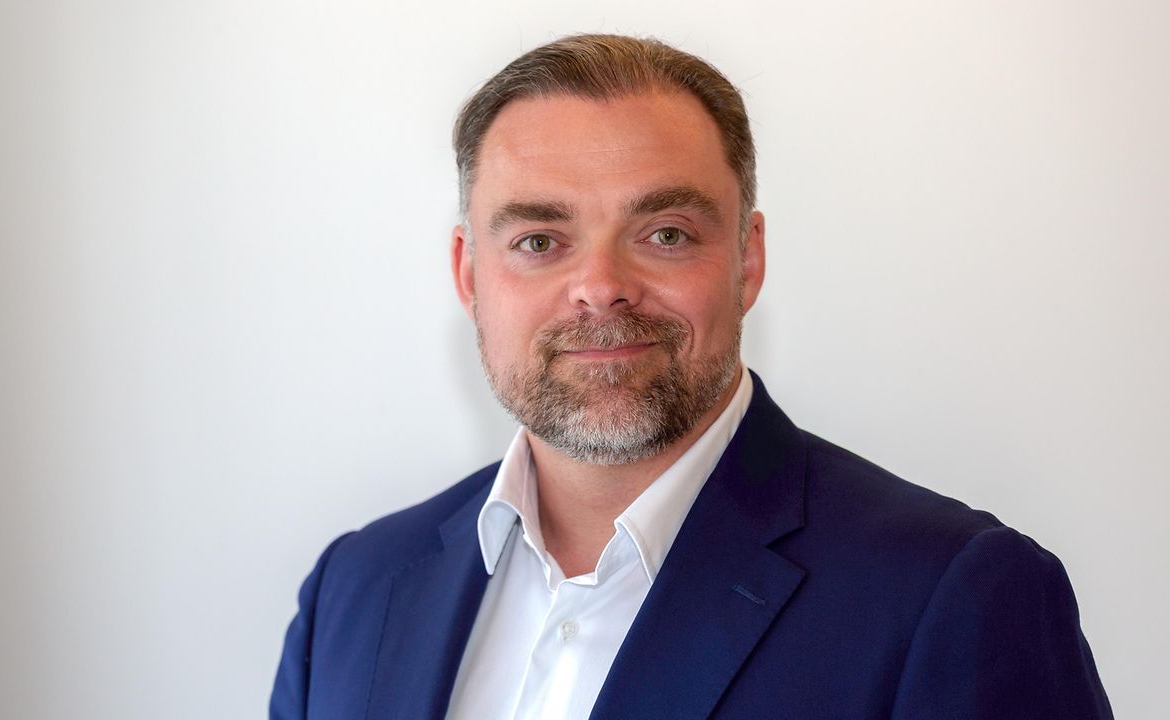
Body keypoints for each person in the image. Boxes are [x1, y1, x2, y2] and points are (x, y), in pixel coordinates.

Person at [271, 34, 1113, 720]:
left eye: (665, 234)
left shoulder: (951, 596)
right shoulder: (356, 590)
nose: (601, 286)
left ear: (747, 260)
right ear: (469, 274)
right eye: (539, 241)